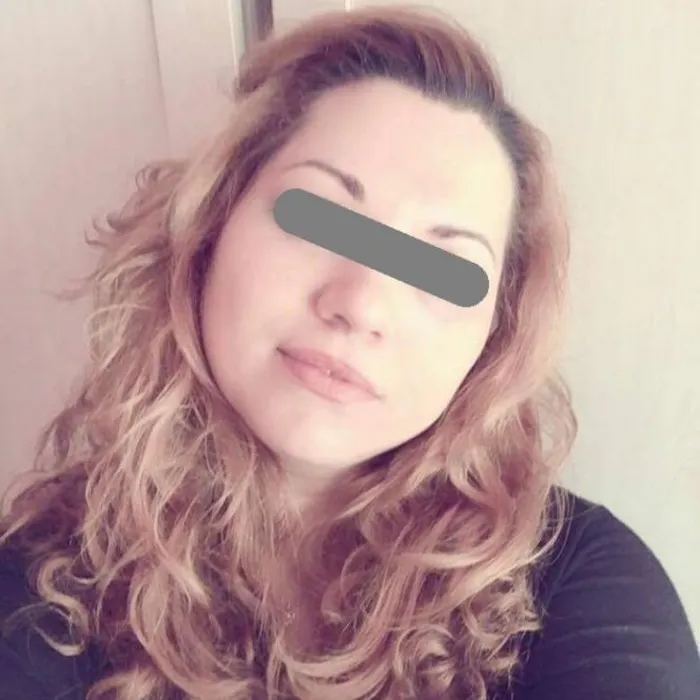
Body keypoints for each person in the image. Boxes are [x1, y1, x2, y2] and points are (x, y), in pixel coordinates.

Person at [0, 4, 698, 700]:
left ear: (494, 337)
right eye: (318, 217)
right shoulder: (45, 581)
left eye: (441, 272)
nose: (360, 304)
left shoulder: (584, 582)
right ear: (211, 226)